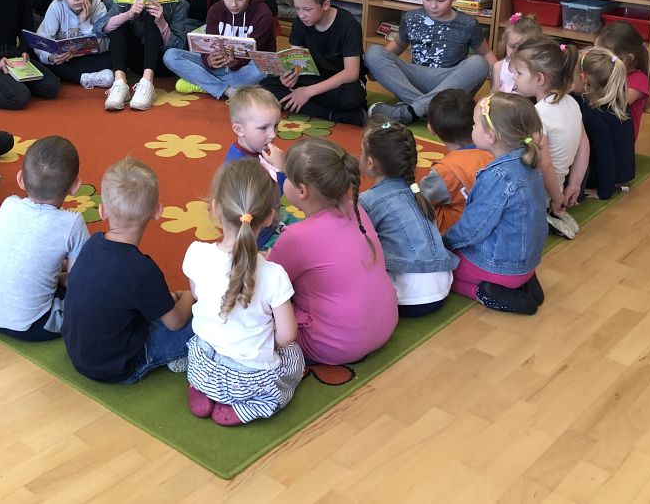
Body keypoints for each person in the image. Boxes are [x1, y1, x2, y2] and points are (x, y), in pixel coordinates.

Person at [183, 159, 304, 426]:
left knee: (201, 343)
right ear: (270, 217)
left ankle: (201, 388)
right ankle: (248, 408)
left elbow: (197, 294)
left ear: (215, 207)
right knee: (295, 356)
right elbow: (287, 336)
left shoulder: (196, 253)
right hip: (250, 381)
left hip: (204, 363)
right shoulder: (274, 274)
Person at [62, 157, 195, 383]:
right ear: (158, 211)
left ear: (102, 211)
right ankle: (174, 355)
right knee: (202, 320)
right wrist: (190, 296)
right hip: (119, 367)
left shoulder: (92, 244)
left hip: (76, 354)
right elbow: (176, 322)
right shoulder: (143, 270)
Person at [267, 138, 398, 365]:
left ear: (302, 190)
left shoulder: (296, 237)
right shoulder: (356, 209)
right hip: (385, 325)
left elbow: (267, 284)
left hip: (332, 345)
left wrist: (263, 258)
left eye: (285, 177)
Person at [0, 136, 89, 341]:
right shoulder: (72, 222)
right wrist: (59, 277)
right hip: (34, 325)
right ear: (75, 186)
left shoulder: (8, 204)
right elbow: (78, 282)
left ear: (20, 179)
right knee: (96, 292)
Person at [445, 93, 548, 315]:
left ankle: (487, 292)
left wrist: (446, 242)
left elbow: (473, 228)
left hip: (500, 267)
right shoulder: (529, 162)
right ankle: (522, 284)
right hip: (527, 263)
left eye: (475, 125)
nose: (472, 129)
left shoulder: (499, 176)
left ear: (491, 136)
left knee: (442, 271)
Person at [365, 0, 494, 124]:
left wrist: (498, 90)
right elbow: (397, 45)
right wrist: (377, 66)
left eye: (440, 0)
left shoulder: (468, 23)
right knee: (373, 52)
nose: (433, 6)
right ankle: (429, 110)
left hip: (449, 84)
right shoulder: (411, 18)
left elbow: (487, 54)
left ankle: (411, 111)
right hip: (414, 82)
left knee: (479, 63)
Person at [358, 118, 458, 317]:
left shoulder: (368, 200)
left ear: (369, 163)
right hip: (442, 289)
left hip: (408, 298)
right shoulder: (419, 193)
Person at [261, 0, 367, 125]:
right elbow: (296, 63)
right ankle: (336, 115)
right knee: (266, 86)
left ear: (325, 5)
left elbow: (351, 73)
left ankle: (307, 103)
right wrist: (290, 77)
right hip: (311, 77)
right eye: (298, 9)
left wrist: (307, 92)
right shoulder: (300, 22)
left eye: (307, 9)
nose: (301, 15)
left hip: (339, 82)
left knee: (352, 96)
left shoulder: (349, 25)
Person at [509, 39, 583, 238]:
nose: (514, 76)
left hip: (542, 192)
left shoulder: (538, 114)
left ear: (540, 78)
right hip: (559, 185)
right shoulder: (572, 103)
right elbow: (584, 146)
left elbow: (545, 164)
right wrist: (574, 184)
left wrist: (557, 199)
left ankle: (544, 215)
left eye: (519, 73)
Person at [165, 0, 274, 99]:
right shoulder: (215, 10)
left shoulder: (263, 14)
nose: (233, 4)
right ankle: (226, 89)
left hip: (245, 67)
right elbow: (208, 46)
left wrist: (234, 63)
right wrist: (208, 60)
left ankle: (203, 84)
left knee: (261, 71)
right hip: (219, 66)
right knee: (170, 55)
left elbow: (256, 55)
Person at [102, 0, 188, 112]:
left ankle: (147, 83)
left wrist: (161, 22)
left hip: (160, 63)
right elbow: (101, 28)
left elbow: (179, 47)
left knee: (151, 16)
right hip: (133, 60)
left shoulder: (179, 3)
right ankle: (120, 83)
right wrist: (128, 14)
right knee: (118, 21)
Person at [418, 89, 494, 233]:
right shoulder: (496, 150)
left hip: (461, 235)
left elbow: (420, 199)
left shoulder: (445, 170)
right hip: (491, 226)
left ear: (431, 128)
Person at [33, 0, 113, 89]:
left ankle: (67, 75)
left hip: (87, 58)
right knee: (37, 57)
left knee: (111, 57)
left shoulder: (98, 7)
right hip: (62, 60)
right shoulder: (56, 6)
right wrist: (51, 57)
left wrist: (85, 24)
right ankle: (83, 78)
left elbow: (105, 45)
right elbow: (42, 41)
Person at [571, 47, 634, 201]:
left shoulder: (596, 117)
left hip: (606, 177)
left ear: (585, 81)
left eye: (572, 76)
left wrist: (603, 192)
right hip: (622, 170)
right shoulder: (616, 102)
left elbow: (605, 157)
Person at [595, 21, 650, 141]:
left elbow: (615, 105)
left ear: (628, 59)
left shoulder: (638, 80)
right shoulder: (606, 72)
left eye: (605, 58)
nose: (599, 61)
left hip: (620, 139)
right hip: (604, 131)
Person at [492, 12, 542, 94]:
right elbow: (493, 94)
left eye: (521, 48)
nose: (515, 52)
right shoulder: (499, 67)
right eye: (512, 46)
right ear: (505, 43)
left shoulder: (534, 70)